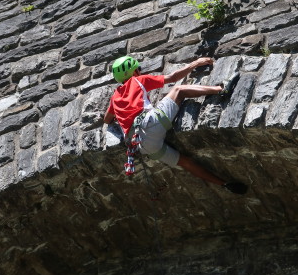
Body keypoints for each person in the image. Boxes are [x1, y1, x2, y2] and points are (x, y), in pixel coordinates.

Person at [104, 55, 248, 195]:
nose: (140, 71)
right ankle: (221, 89)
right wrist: (195, 63)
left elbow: (107, 119)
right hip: (151, 123)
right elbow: (172, 78)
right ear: (133, 71)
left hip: (143, 146)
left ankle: (224, 184)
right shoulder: (138, 80)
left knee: (185, 162)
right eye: (138, 69)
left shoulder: (115, 97)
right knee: (178, 91)